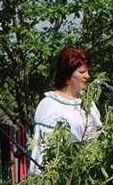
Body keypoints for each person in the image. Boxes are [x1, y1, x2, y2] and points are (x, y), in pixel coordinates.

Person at [28, 46, 103, 174]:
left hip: (88, 175)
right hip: (59, 175)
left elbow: (98, 139)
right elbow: (41, 148)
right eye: (82, 72)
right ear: (68, 74)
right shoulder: (49, 104)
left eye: (87, 72)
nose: (87, 76)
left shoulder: (89, 105)